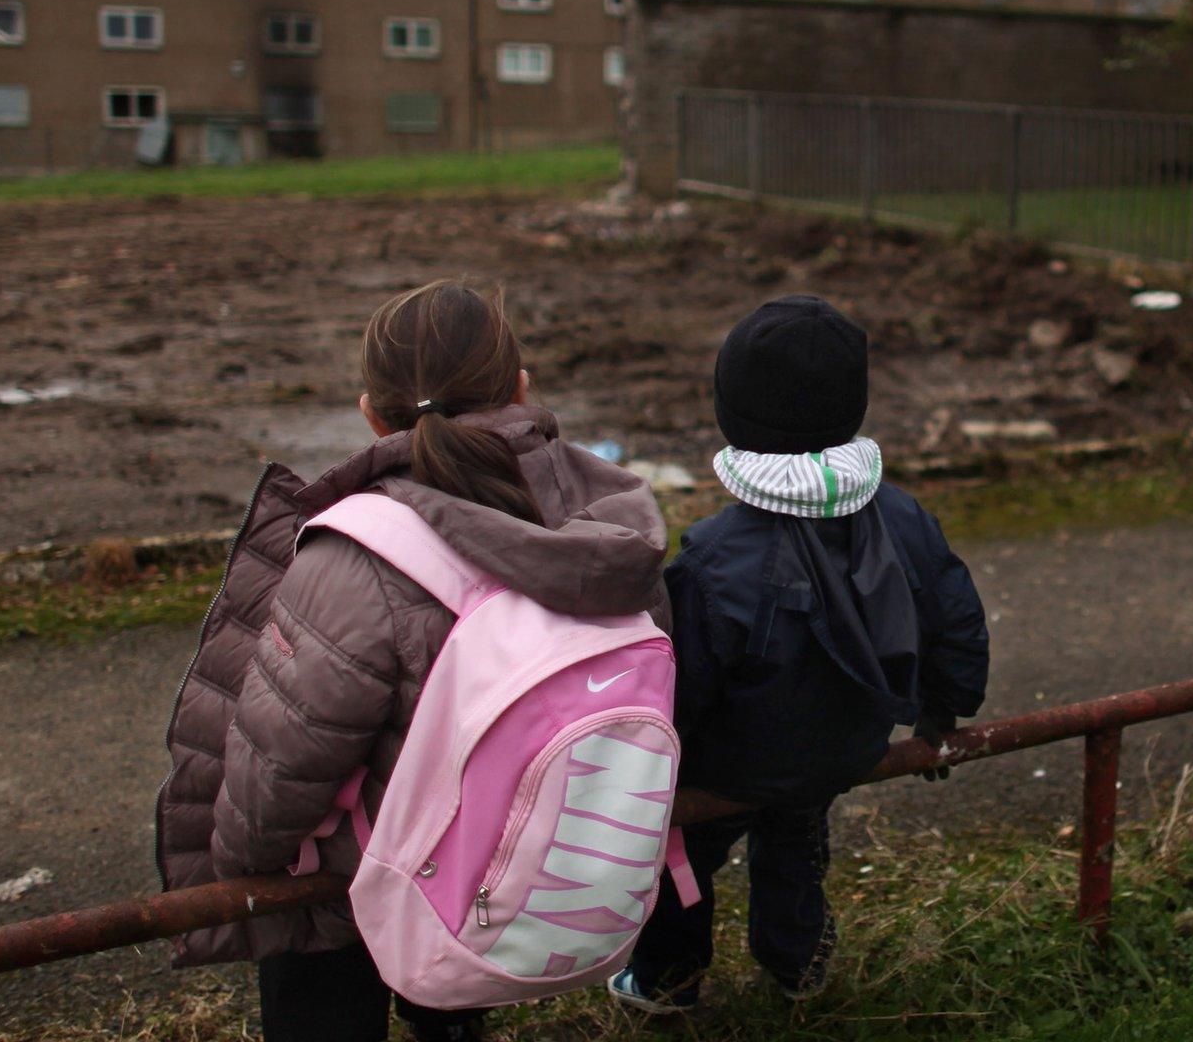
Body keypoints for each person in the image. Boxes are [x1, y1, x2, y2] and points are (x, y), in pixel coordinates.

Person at [155, 282, 672, 1042]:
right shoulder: (608, 525)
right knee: (452, 1006)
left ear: (371, 411)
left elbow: (285, 762)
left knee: (317, 995)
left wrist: (241, 864)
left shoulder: (359, 553)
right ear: (521, 388)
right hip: (495, 862)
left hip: (349, 882)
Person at [607, 295, 991, 1014]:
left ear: (734, 416)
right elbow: (956, 617)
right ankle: (799, 967)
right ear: (854, 406)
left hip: (728, 764)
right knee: (796, 848)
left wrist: (659, 767)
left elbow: (678, 686)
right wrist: (944, 708)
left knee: (683, 859)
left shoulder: (715, 560)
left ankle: (666, 982)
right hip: (844, 744)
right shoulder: (903, 515)